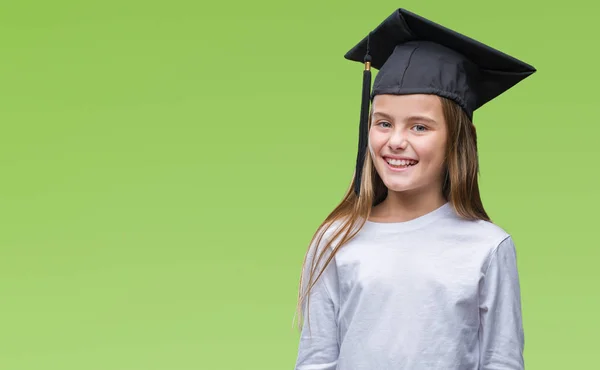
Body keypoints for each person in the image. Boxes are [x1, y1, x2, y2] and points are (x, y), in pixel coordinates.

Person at [293, 8, 536, 370]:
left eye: (419, 127)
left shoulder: (487, 247)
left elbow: (502, 361)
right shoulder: (336, 239)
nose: (396, 141)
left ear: (456, 140)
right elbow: (316, 361)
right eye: (383, 123)